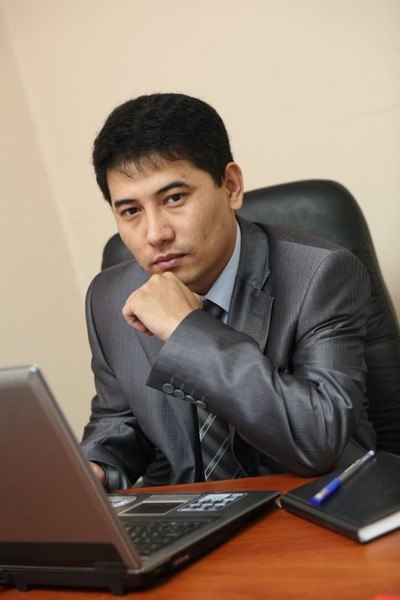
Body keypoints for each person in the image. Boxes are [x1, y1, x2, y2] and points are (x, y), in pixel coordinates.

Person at [81, 93, 376, 490]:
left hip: (312, 505)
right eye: (131, 211)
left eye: (174, 198)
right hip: (192, 516)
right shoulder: (108, 296)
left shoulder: (321, 275)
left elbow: (320, 437)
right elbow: (119, 422)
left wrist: (188, 331)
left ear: (232, 186)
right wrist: (94, 469)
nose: (155, 234)